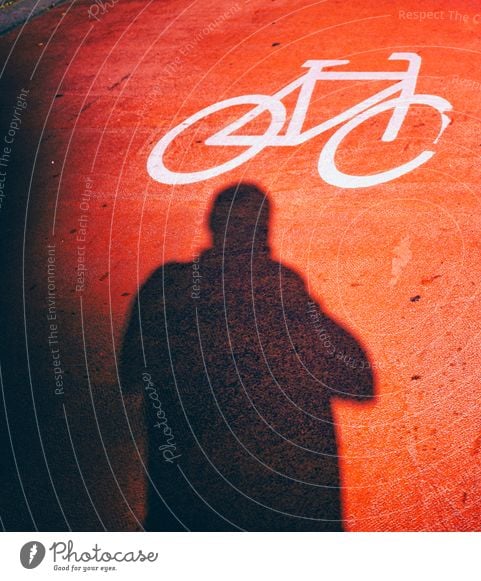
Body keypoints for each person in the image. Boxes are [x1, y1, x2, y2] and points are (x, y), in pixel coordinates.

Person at [119, 182, 374, 531]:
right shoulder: (276, 299)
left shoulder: (172, 289)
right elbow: (359, 379)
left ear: (213, 226)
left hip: (194, 512)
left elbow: (132, 371)